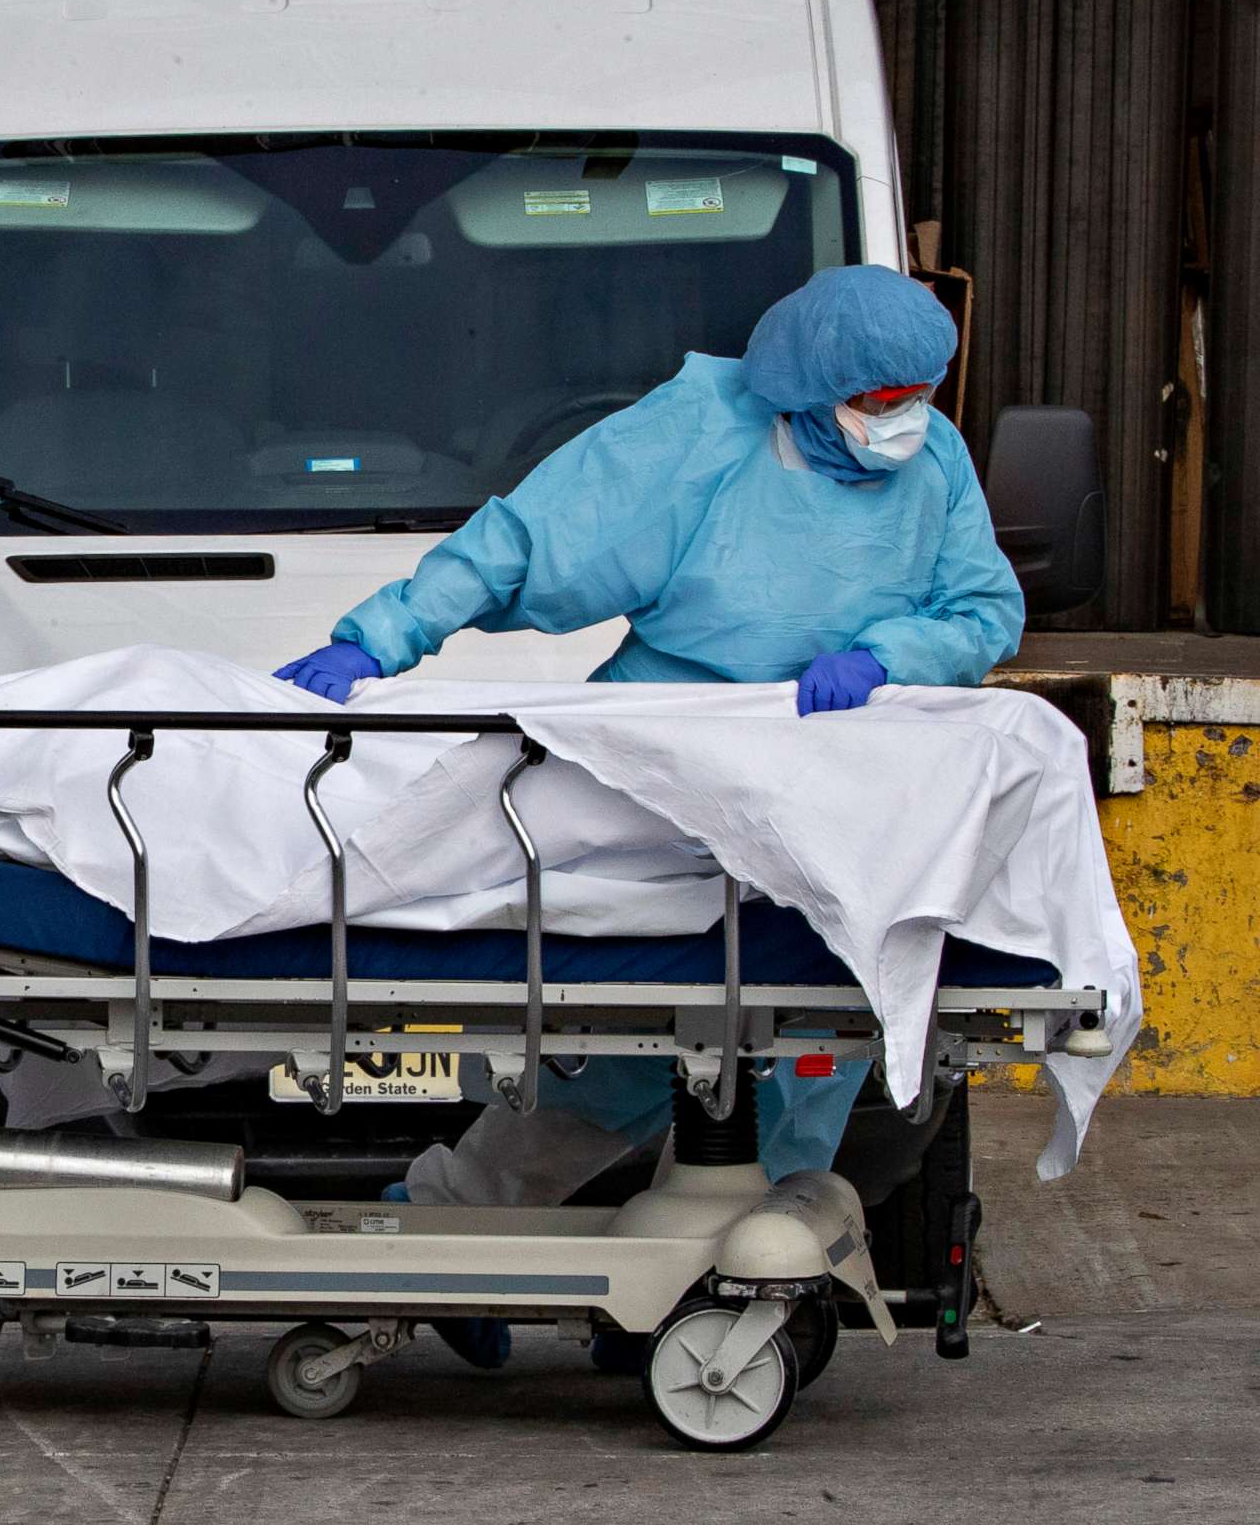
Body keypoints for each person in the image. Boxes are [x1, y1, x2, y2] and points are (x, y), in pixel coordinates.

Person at [275, 264, 1022, 1367]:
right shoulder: (702, 437)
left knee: (813, 1048)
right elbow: (522, 543)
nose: (900, 420)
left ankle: (708, 1287)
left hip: (837, 791)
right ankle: (452, 1232)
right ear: (808, 389)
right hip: (667, 769)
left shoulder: (934, 458)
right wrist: (380, 636)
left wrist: (886, 656)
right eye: (876, 400)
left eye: (919, 393)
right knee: (621, 1050)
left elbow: (985, 607)